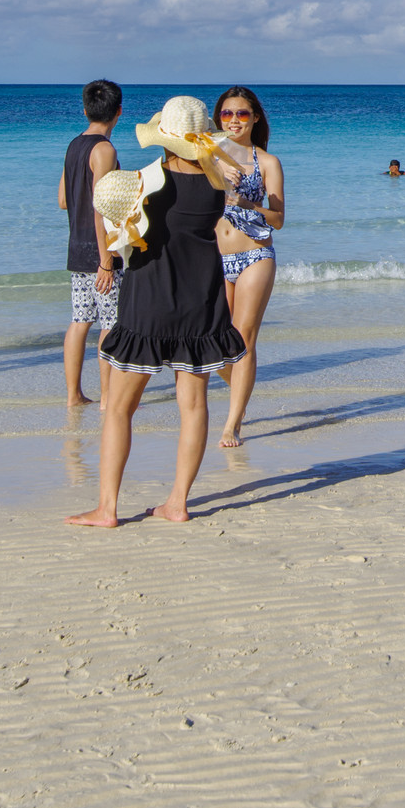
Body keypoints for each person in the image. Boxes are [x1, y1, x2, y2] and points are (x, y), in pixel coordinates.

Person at [69, 97, 248, 527]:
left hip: (148, 300)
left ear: (163, 138)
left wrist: (108, 260)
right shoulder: (220, 185)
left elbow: (109, 223)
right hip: (201, 299)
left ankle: (107, 509)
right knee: (194, 405)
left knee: (118, 409)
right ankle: (177, 504)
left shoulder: (137, 183)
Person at [213, 86, 285, 449]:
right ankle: (244, 385)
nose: (234, 121)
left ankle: (233, 423)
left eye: (242, 114)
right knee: (212, 343)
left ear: (255, 117)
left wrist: (245, 201)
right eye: (227, 114)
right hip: (214, 257)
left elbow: (279, 219)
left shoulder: (267, 162)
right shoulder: (206, 154)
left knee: (243, 340)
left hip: (256, 255)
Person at [57, 79, 125, 406]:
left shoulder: (74, 145)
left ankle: (73, 395)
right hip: (102, 250)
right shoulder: (105, 150)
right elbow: (101, 207)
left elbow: (62, 200)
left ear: (85, 110)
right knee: (111, 325)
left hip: (77, 246)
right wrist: (106, 260)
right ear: (119, 112)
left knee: (80, 321)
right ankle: (109, 396)